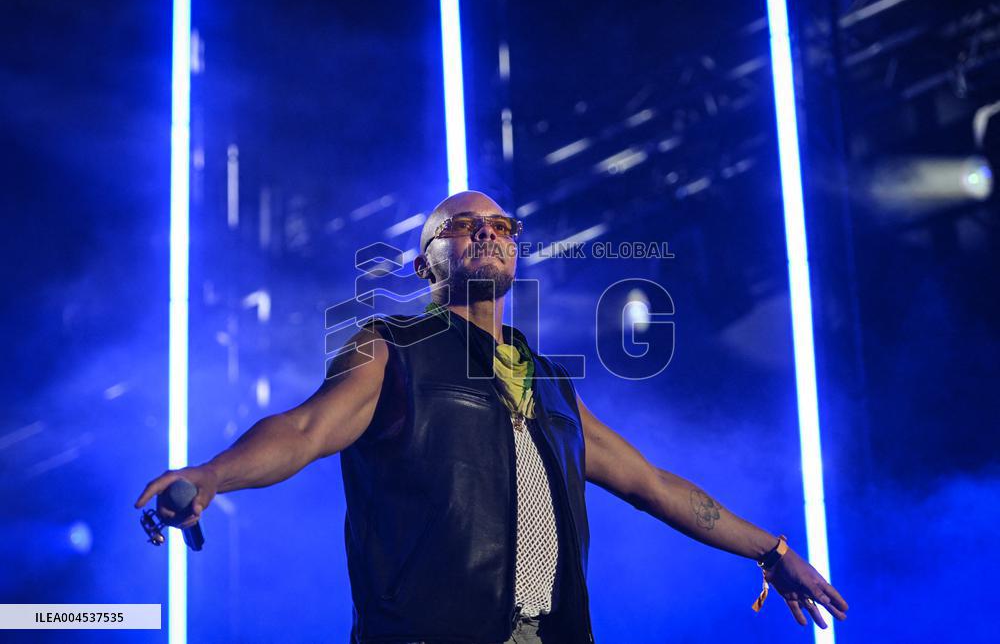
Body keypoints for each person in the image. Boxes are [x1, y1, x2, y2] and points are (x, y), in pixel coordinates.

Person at [136, 191, 849, 643]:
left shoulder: (552, 385)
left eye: (500, 224)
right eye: (462, 226)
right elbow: (304, 430)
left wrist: (771, 551)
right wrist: (213, 474)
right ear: (425, 266)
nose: (486, 232)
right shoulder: (390, 349)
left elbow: (653, 484)